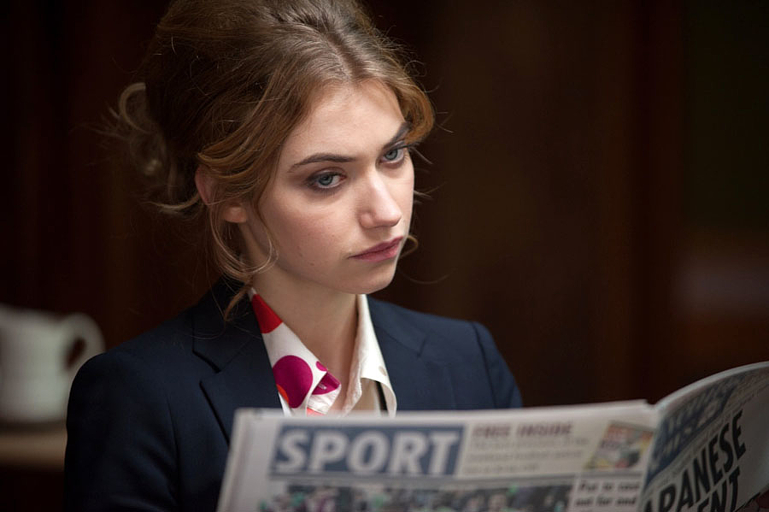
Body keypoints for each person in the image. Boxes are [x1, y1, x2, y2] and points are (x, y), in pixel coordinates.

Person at [64, 0, 522, 510]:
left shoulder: (468, 361)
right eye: (326, 178)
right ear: (227, 194)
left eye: (392, 155)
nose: (387, 211)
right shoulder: (141, 397)